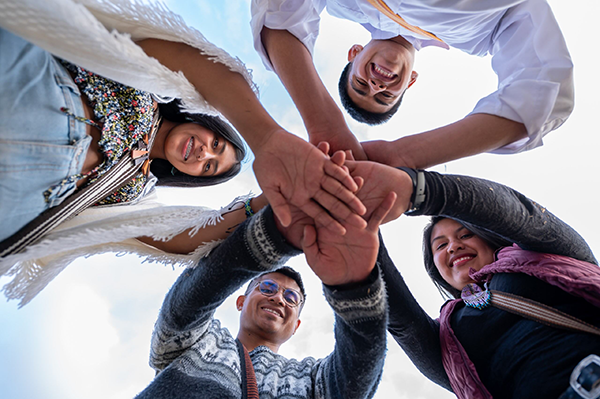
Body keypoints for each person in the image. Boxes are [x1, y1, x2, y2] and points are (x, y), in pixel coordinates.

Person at [0, 0, 367, 305]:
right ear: (208, 124)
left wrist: (263, 204)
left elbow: (181, 238)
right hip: (31, 84)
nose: (204, 154)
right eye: (217, 145)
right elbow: (200, 66)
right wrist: (267, 138)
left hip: (23, 198)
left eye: (208, 168)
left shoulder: (137, 195)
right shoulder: (151, 86)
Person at [342, 159, 600, 398]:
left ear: (488, 239)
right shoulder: (447, 336)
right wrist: (360, 226)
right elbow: (403, 323)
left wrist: (418, 191)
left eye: (465, 235)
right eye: (440, 246)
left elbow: (522, 216)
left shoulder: (546, 255)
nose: (453, 246)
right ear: (436, 268)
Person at [134, 186, 397, 399]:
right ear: (240, 301)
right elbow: (187, 305)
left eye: (292, 298)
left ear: (296, 326)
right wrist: (277, 233)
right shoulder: (199, 342)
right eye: (268, 287)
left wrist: (353, 281)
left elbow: (358, 370)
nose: (278, 298)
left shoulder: (311, 380)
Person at [251, 0, 574, 169]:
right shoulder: (482, 34)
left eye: (361, 84)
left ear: (354, 54)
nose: (376, 86)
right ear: (410, 83)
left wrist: (325, 123)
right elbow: (544, 89)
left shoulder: (341, 3)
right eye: (385, 96)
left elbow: (280, 12)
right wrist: (402, 156)